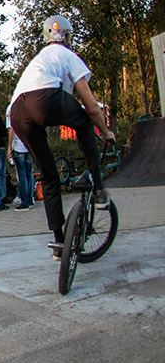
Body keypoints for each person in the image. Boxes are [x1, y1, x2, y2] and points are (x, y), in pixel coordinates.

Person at [9, 15, 115, 258]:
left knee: (49, 176)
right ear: (67, 37)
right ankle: (98, 190)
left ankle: (59, 242)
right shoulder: (69, 55)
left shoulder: (38, 61)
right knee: (88, 123)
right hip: (44, 100)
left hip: (17, 111)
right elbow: (91, 106)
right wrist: (106, 132)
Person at [6, 102, 35, 211]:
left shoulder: (11, 108)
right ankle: (31, 198)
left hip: (19, 146)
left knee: (21, 175)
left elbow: (11, 129)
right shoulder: (28, 106)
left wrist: (9, 146)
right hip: (29, 145)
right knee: (29, 173)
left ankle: (25, 202)